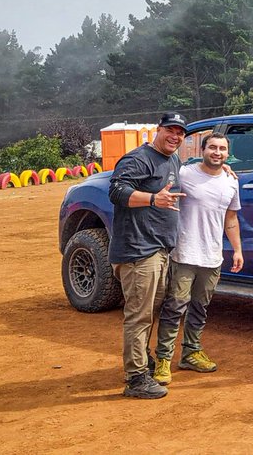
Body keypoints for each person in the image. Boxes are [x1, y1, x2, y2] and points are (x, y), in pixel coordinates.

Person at [108, 111, 188, 400]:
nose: (175, 136)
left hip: (158, 250)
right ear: (158, 129)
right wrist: (153, 198)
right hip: (138, 251)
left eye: (180, 132)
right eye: (171, 130)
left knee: (148, 311)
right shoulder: (138, 159)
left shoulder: (172, 159)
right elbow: (117, 192)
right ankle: (136, 377)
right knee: (139, 316)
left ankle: (142, 361)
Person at [153, 133, 243, 386]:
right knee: (175, 307)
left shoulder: (231, 182)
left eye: (222, 149)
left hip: (212, 256)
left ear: (228, 154)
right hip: (184, 253)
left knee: (200, 308)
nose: (217, 152)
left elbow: (231, 220)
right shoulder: (185, 173)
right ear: (202, 150)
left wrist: (237, 250)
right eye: (212, 147)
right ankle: (163, 360)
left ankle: (191, 352)